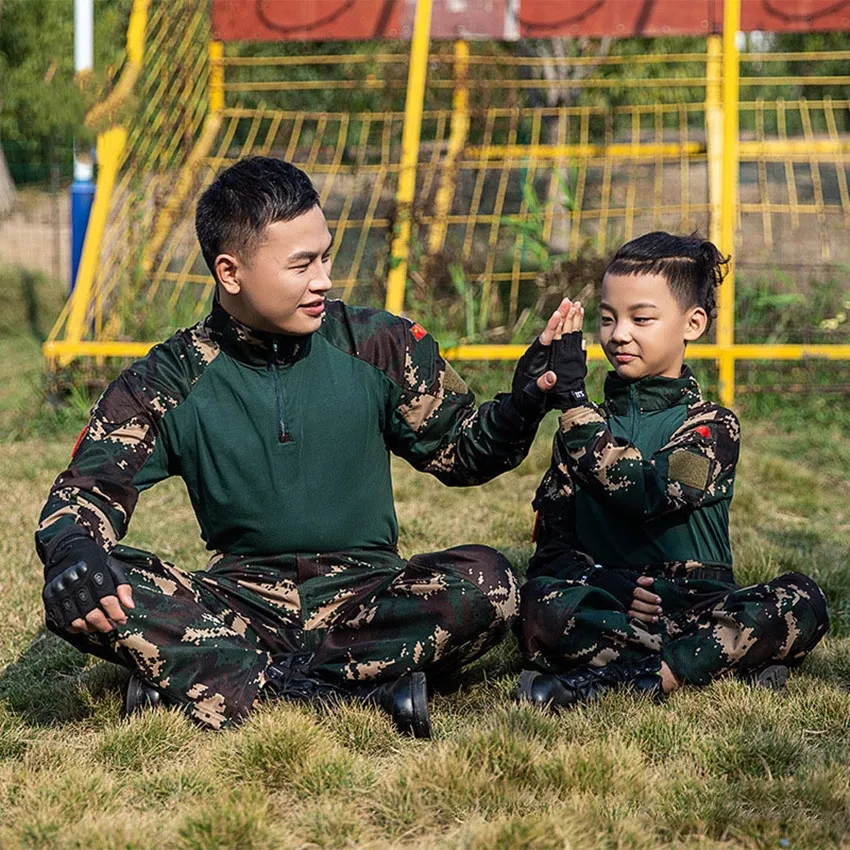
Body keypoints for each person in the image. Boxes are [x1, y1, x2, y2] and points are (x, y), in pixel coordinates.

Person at [35, 156, 575, 738]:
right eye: (301, 265)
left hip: (367, 599)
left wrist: (524, 401)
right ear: (230, 272)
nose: (323, 280)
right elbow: (84, 494)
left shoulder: (379, 343)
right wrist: (72, 549)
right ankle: (357, 692)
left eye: (325, 257)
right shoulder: (168, 379)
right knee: (90, 586)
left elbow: (466, 452)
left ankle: (214, 682)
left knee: (490, 583)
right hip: (236, 608)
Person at [516, 232, 830, 709]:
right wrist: (610, 585)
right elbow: (551, 556)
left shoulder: (713, 426)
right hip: (617, 611)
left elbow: (646, 492)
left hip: (696, 608)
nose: (619, 334)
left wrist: (576, 407)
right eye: (606, 319)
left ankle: (628, 678)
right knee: (537, 602)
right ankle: (709, 666)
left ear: (693, 323)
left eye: (641, 319)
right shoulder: (576, 432)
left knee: (801, 599)